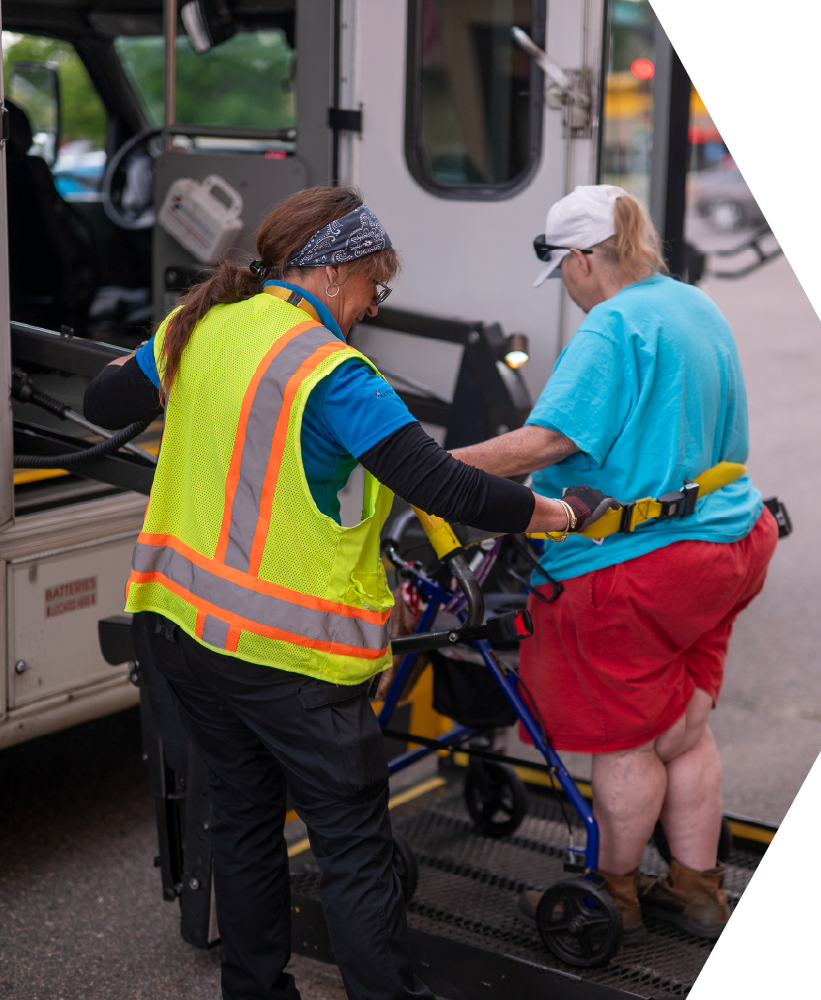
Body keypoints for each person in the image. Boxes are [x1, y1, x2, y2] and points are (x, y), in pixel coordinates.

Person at [84, 186, 611, 1000]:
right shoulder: (330, 372)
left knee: (247, 823)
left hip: (180, 630)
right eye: (374, 287)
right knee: (355, 852)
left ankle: (256, 991)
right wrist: (558, 512)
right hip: (287, 655)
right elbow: (440, 485)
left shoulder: (202, 325)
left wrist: (149, 360)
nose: (370, 308)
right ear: (335, 273)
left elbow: (101, 401)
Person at [451, 184, 778, 943]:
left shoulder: (613, 327)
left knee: (626, 741)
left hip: (640, 568)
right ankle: (696, 891)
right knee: (685, 728)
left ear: (582, 258)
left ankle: (617, 892)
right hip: (730, 542)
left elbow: (547, 441)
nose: (568, 286)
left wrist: (432, 464)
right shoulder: (694, 305)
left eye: (565, 270)